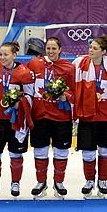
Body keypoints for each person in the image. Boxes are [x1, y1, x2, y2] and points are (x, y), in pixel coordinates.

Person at [0, 42, 35, 198]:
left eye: (6, 54)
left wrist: (20, 103)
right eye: (0, 54)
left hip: (15, 120)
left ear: (14, 55)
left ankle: (15, 182)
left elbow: (30, 96)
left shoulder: (24, 73)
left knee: (15, 154)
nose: (2, 57)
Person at [73, 36, 107, 198]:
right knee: (88, 152)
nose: (90, 50)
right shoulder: (79, 64)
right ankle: (89, 181)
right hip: (88, 115)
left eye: (94, 48)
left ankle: (102, 181)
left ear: (103, 51)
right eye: (90, 47)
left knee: (105, 151)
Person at [26, 37, 75, 198]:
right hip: (40, 115)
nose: (51, 52)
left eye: (54, 49)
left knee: (61, 151)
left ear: (60, 50)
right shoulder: (35, 63)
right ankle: (41, 182)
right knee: (40, 150)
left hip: (61, 117)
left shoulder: (68, 67)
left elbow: (75, 92)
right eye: (48, 48)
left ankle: (59, 182)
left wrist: (65, 96)